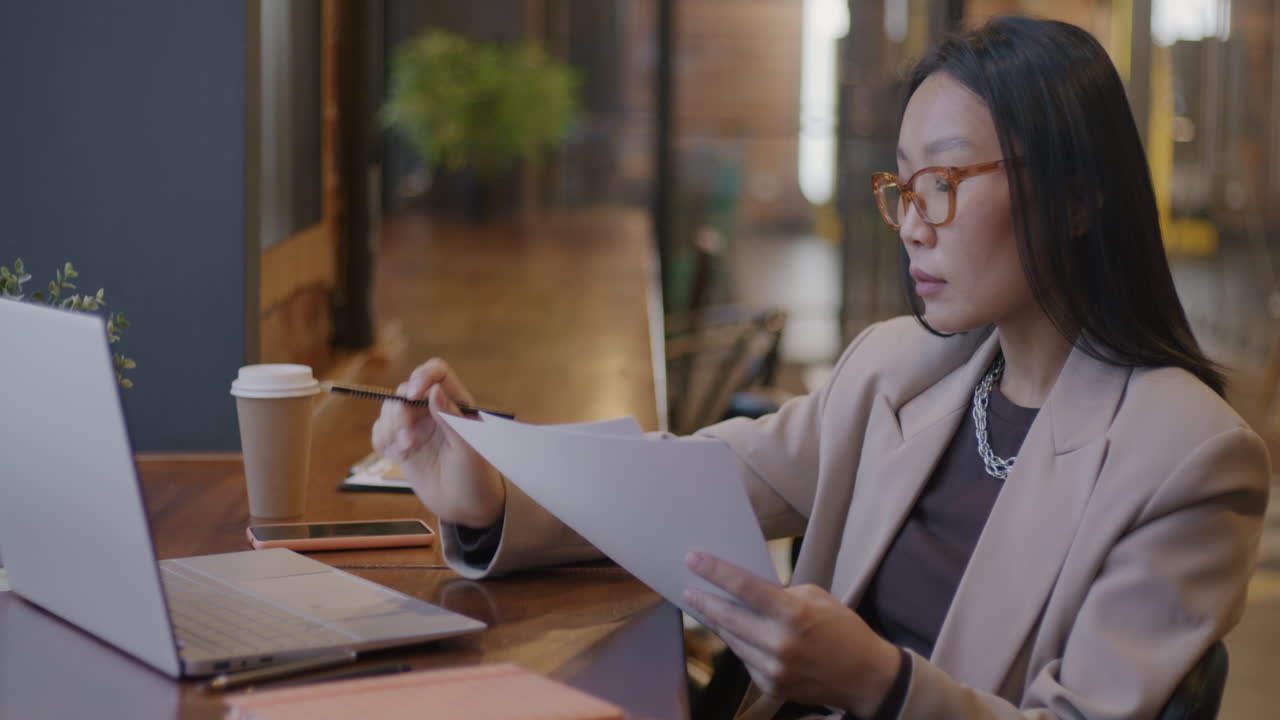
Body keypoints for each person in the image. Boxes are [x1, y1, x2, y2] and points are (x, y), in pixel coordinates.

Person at [371, 16, 1270, 720]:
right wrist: (492, 492)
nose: (914, 222)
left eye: (946, 183)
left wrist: (880, 685)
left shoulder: (1188, 460)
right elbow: (700, 478)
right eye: (903, 185)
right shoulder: (901, 368)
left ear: (1075, 200)